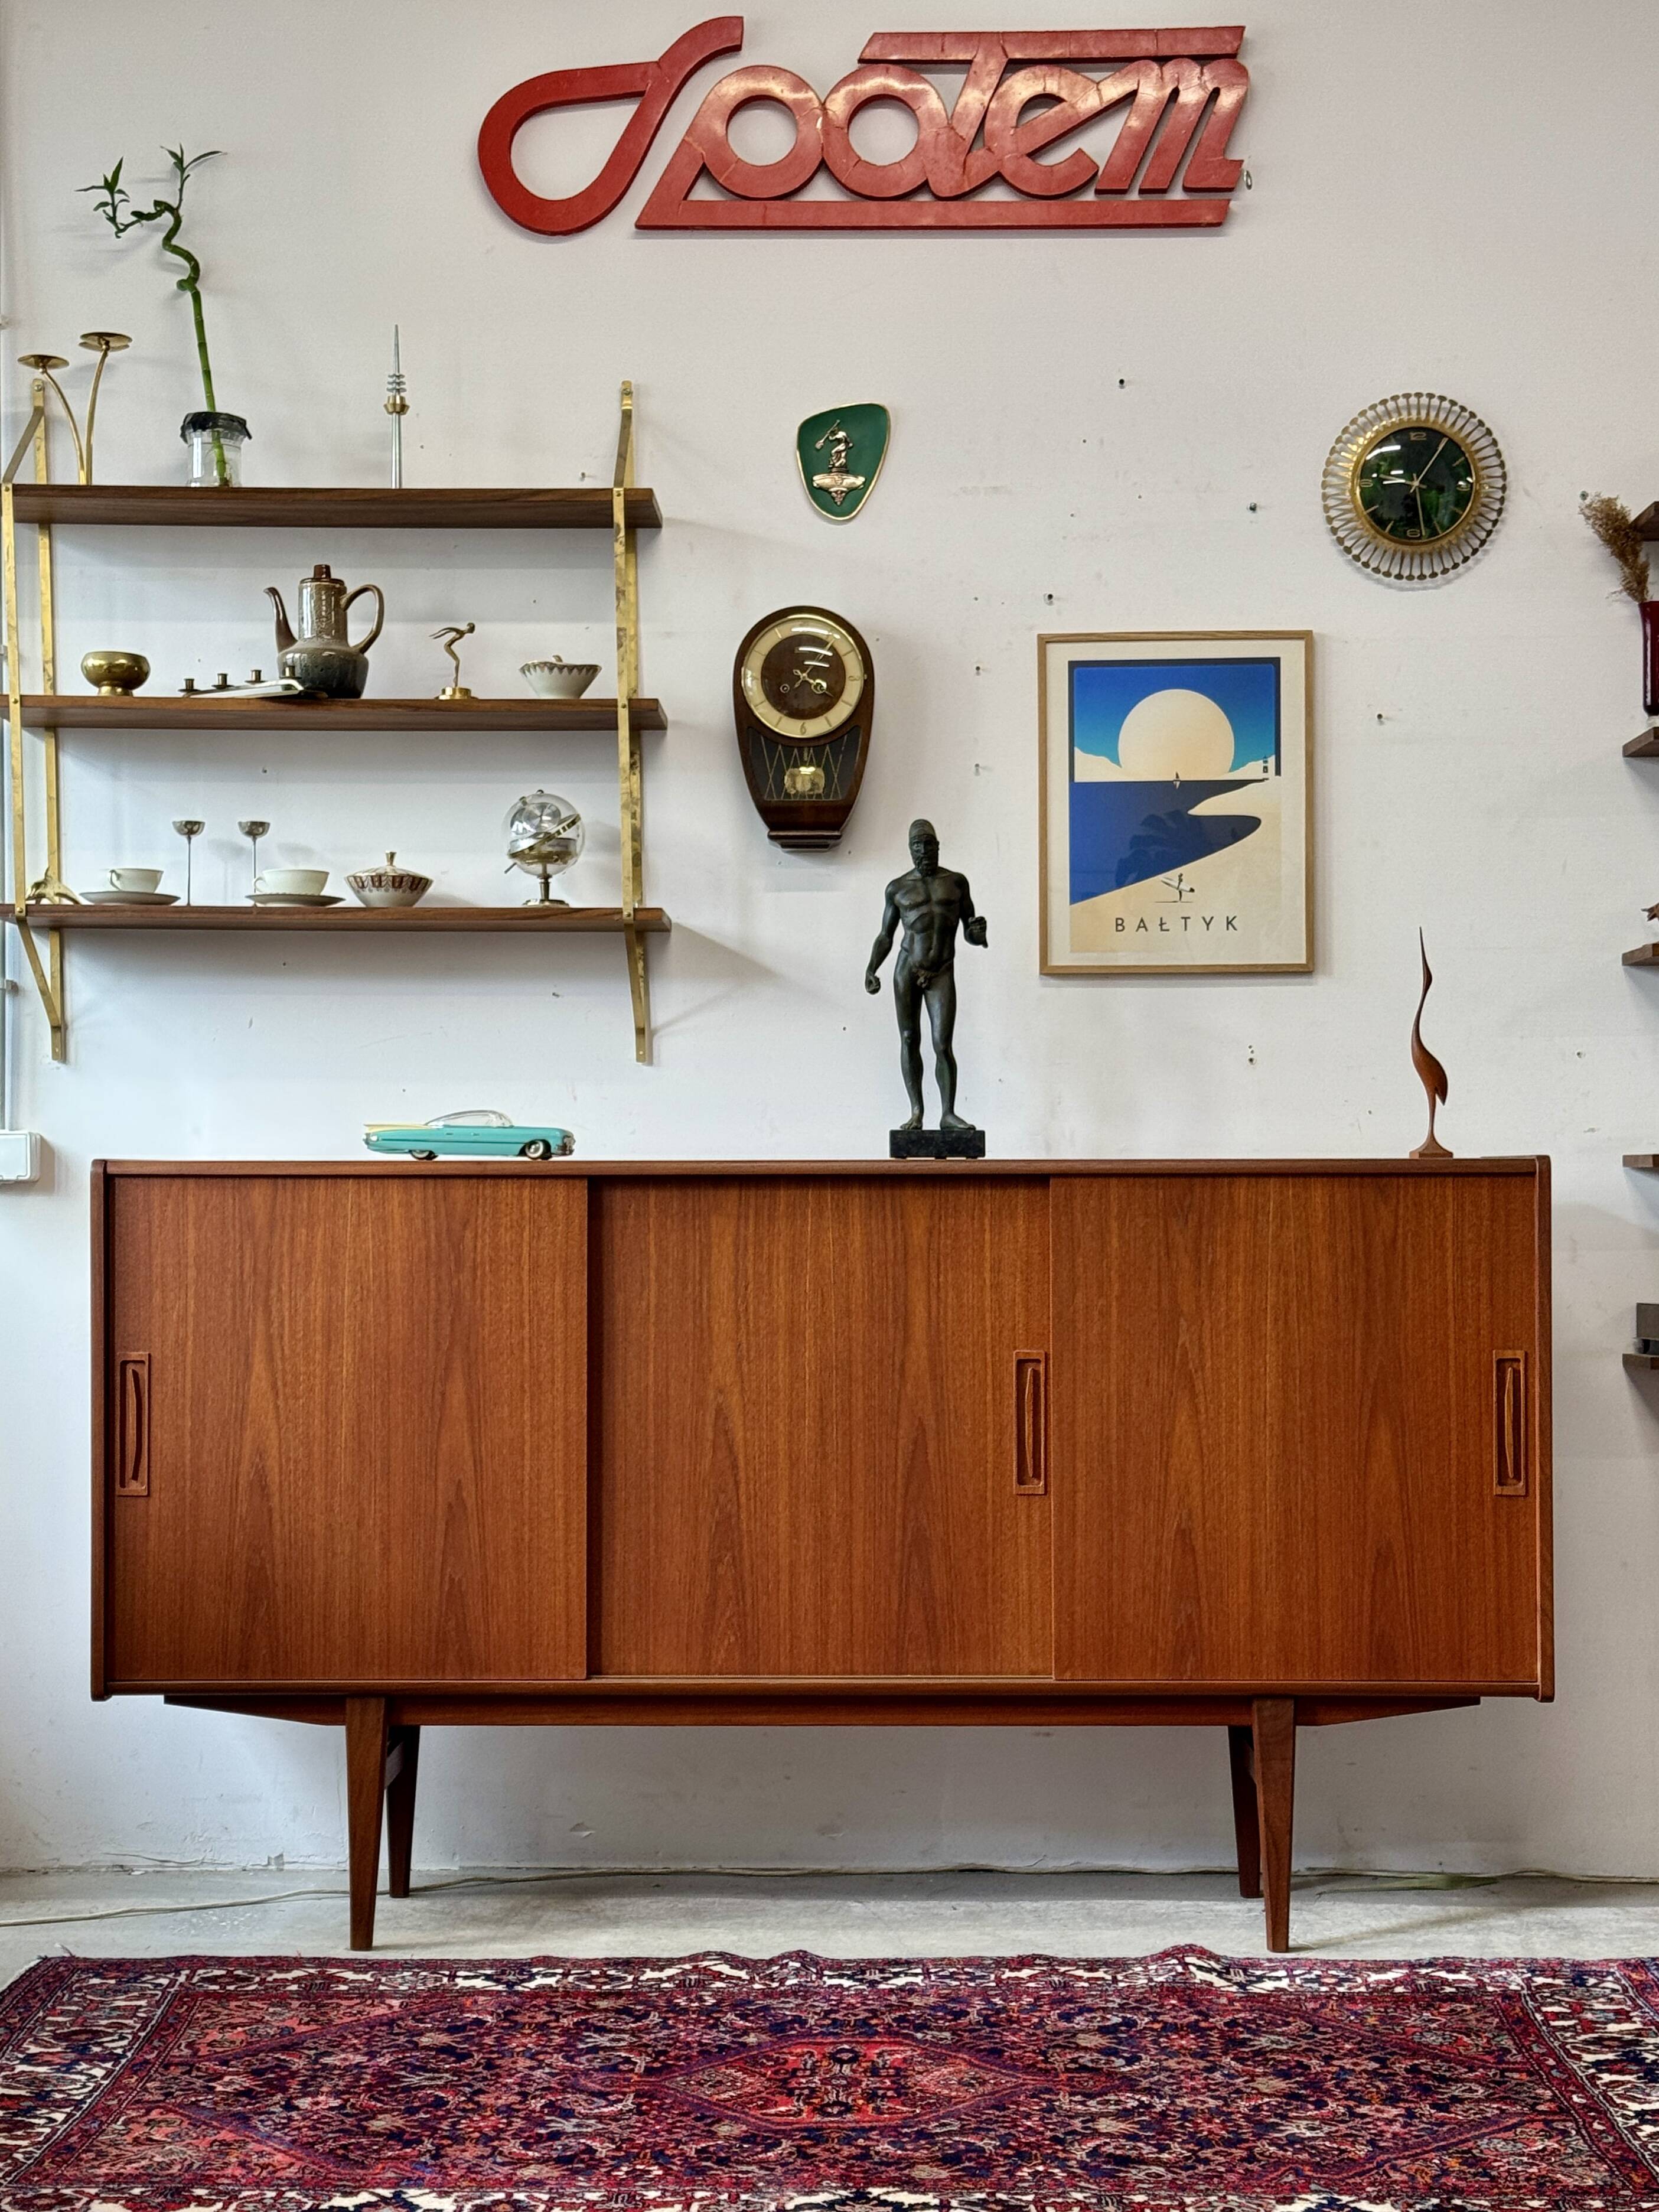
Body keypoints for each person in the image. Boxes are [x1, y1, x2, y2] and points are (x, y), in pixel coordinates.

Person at [865, 818, 987, 1131]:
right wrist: (872, 968)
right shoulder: (898, 888)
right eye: (917, 847)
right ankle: (916, 1111)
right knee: (909, 1038)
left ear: (938, 847)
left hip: (942, 969)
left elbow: (971, 933)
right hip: (908, 968)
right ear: (910, 850)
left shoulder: (957, 883)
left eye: (928, 846)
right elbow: (886, 936)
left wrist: (978, 933)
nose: (924, 852)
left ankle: (948, 1113)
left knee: (942, 1043)